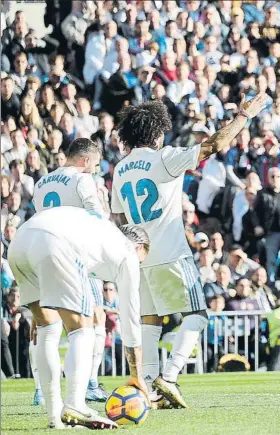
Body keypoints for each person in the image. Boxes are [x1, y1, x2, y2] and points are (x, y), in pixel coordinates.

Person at [111, 93, 266, 408]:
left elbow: (119, 218)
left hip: (138, 257)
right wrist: (243, 117)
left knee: (150, 322)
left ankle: (151, 393)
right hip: (171, 252)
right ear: (156, 132)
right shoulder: (165, 157)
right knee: (197, 315)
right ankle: (169, 377)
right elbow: (213, 146)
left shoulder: (121, 169)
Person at [8, 206, 149, 429]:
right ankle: (75, 403)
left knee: (48, 328)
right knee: (84, 326)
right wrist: (137, 374)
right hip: (54, 243)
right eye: (143, 260)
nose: (139, 265)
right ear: (140, 247)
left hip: (20, 241)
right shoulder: (128, 253)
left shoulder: (101, 234)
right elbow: (131, 317)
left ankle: (55, 415)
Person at [32, 138, 110, 404]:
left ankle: (42, 391)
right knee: (94, 320)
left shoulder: (41, 183)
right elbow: (98, 219)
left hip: (42, 255)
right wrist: (105, 203)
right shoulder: (82, 179)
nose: (96, 170)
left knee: (47, 326)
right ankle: (89, 384)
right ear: (85, 160)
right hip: (76, 257)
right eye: (96, 164)